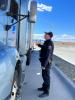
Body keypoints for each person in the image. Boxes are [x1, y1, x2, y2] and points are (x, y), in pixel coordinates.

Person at [37, 32, 54, 98]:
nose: (44, 35)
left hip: (46, 63)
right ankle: (44, 87)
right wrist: (39, 45)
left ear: (49, 36)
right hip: (44, 62)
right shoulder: (47, 42)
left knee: (46, 77)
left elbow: (48, 55)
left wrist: (44, 65)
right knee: (44, 75)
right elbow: (44, 47)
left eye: (46, 35)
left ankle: (46, 92)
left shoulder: (49, 43)